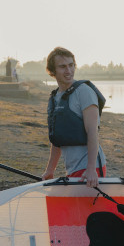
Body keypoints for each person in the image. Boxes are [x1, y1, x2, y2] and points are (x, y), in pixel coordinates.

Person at [42, 46, 106, 188]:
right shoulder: (55, 98)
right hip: (72, 169)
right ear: (52, 71)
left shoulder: (84, 92)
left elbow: (92, 132)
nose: (69, 71)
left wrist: (90, 169)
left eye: (71, 65)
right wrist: (50, 170)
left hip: (89, 169)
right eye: (62, 67)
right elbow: (57, 139)